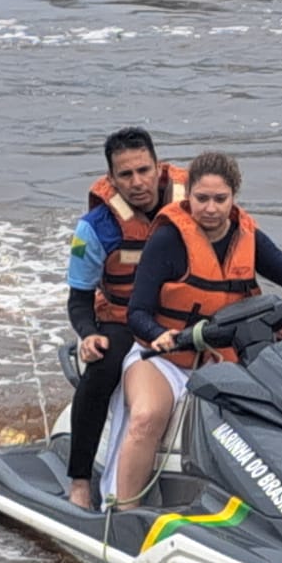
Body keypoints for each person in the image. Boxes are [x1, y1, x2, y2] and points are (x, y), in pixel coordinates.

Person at [98, 151, 282, 510]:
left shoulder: (247, 236)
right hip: (163, 359)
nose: (210, 208)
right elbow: (137, 311)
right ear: (188, 196)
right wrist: (158, 333)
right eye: (201, 198)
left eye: (220, 199)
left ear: (233, 197)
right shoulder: (167, 240)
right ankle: (124, 511)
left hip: (221, 361)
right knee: (146, 417)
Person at [63, 127, 187, 510]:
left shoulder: (194, 205)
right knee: (102, 369)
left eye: (144, 170)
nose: (137, 182)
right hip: (121, 320)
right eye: (126, 174)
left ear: (158, 167)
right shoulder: (93, 229)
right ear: (112, 179)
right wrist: (88, 335)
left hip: (178, 315)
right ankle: (80, 482)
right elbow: (79, 299)